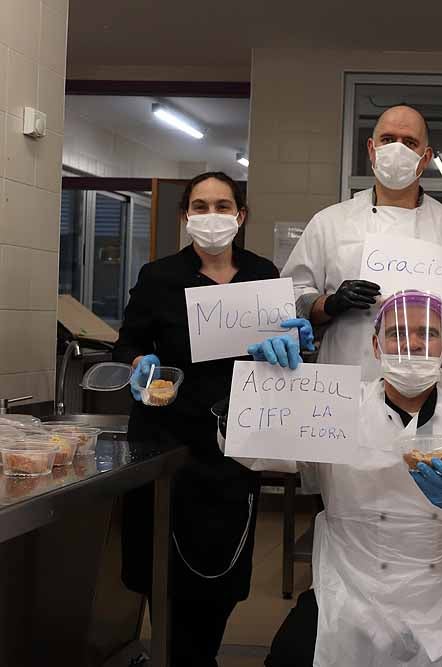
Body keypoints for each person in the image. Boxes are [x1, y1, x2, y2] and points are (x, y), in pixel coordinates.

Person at [238, 290, 442, 667]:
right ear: (375, 346)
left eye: (428, 333)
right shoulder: (335, 402)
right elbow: (255, 452)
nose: (413, 344)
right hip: (351, 586)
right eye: (397, 333)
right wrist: (261, 388)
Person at [113, 171, 312, 666]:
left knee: (223, 578)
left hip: (233, 449)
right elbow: (129, 341)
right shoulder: (160, 276)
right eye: (200, 206)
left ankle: (203, 654)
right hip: (170, 444)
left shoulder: (263, 275)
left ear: (240, 216)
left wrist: (295, 346)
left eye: (223, 206)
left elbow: (287, 357)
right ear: (185, 217)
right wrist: (141, 365)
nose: (211, 216)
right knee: (170, 584)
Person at [282, 105, 442, 380]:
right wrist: (330, 304)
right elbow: (289, 298)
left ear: (425, 159)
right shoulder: (329, 222)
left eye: (409, 143)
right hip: (344, 380)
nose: (397, 150)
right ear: (372, 149)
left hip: (425, 387)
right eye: (388, 140)